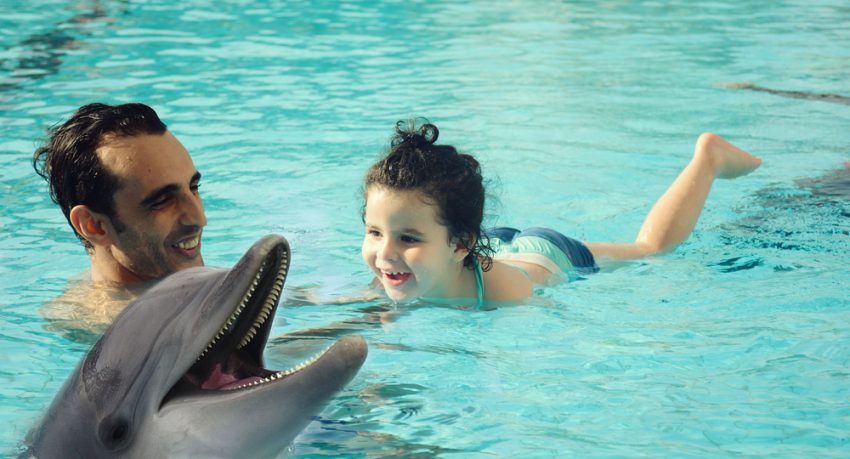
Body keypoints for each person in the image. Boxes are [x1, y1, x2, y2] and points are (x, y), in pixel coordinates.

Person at [361, 120, 762, 308]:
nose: (384, 252)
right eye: (374, 232)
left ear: (460, 243)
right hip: (487, 246)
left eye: (407, 238)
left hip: (546, 254)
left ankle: (707, 159)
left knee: (653, 248)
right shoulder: (397, 269)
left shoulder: (505, 294)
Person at [33, 102, 207, 338]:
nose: (199, 218)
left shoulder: (85, 293)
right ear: (93, 225)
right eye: (162, 201)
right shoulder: (128, 333)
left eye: (193, 187)